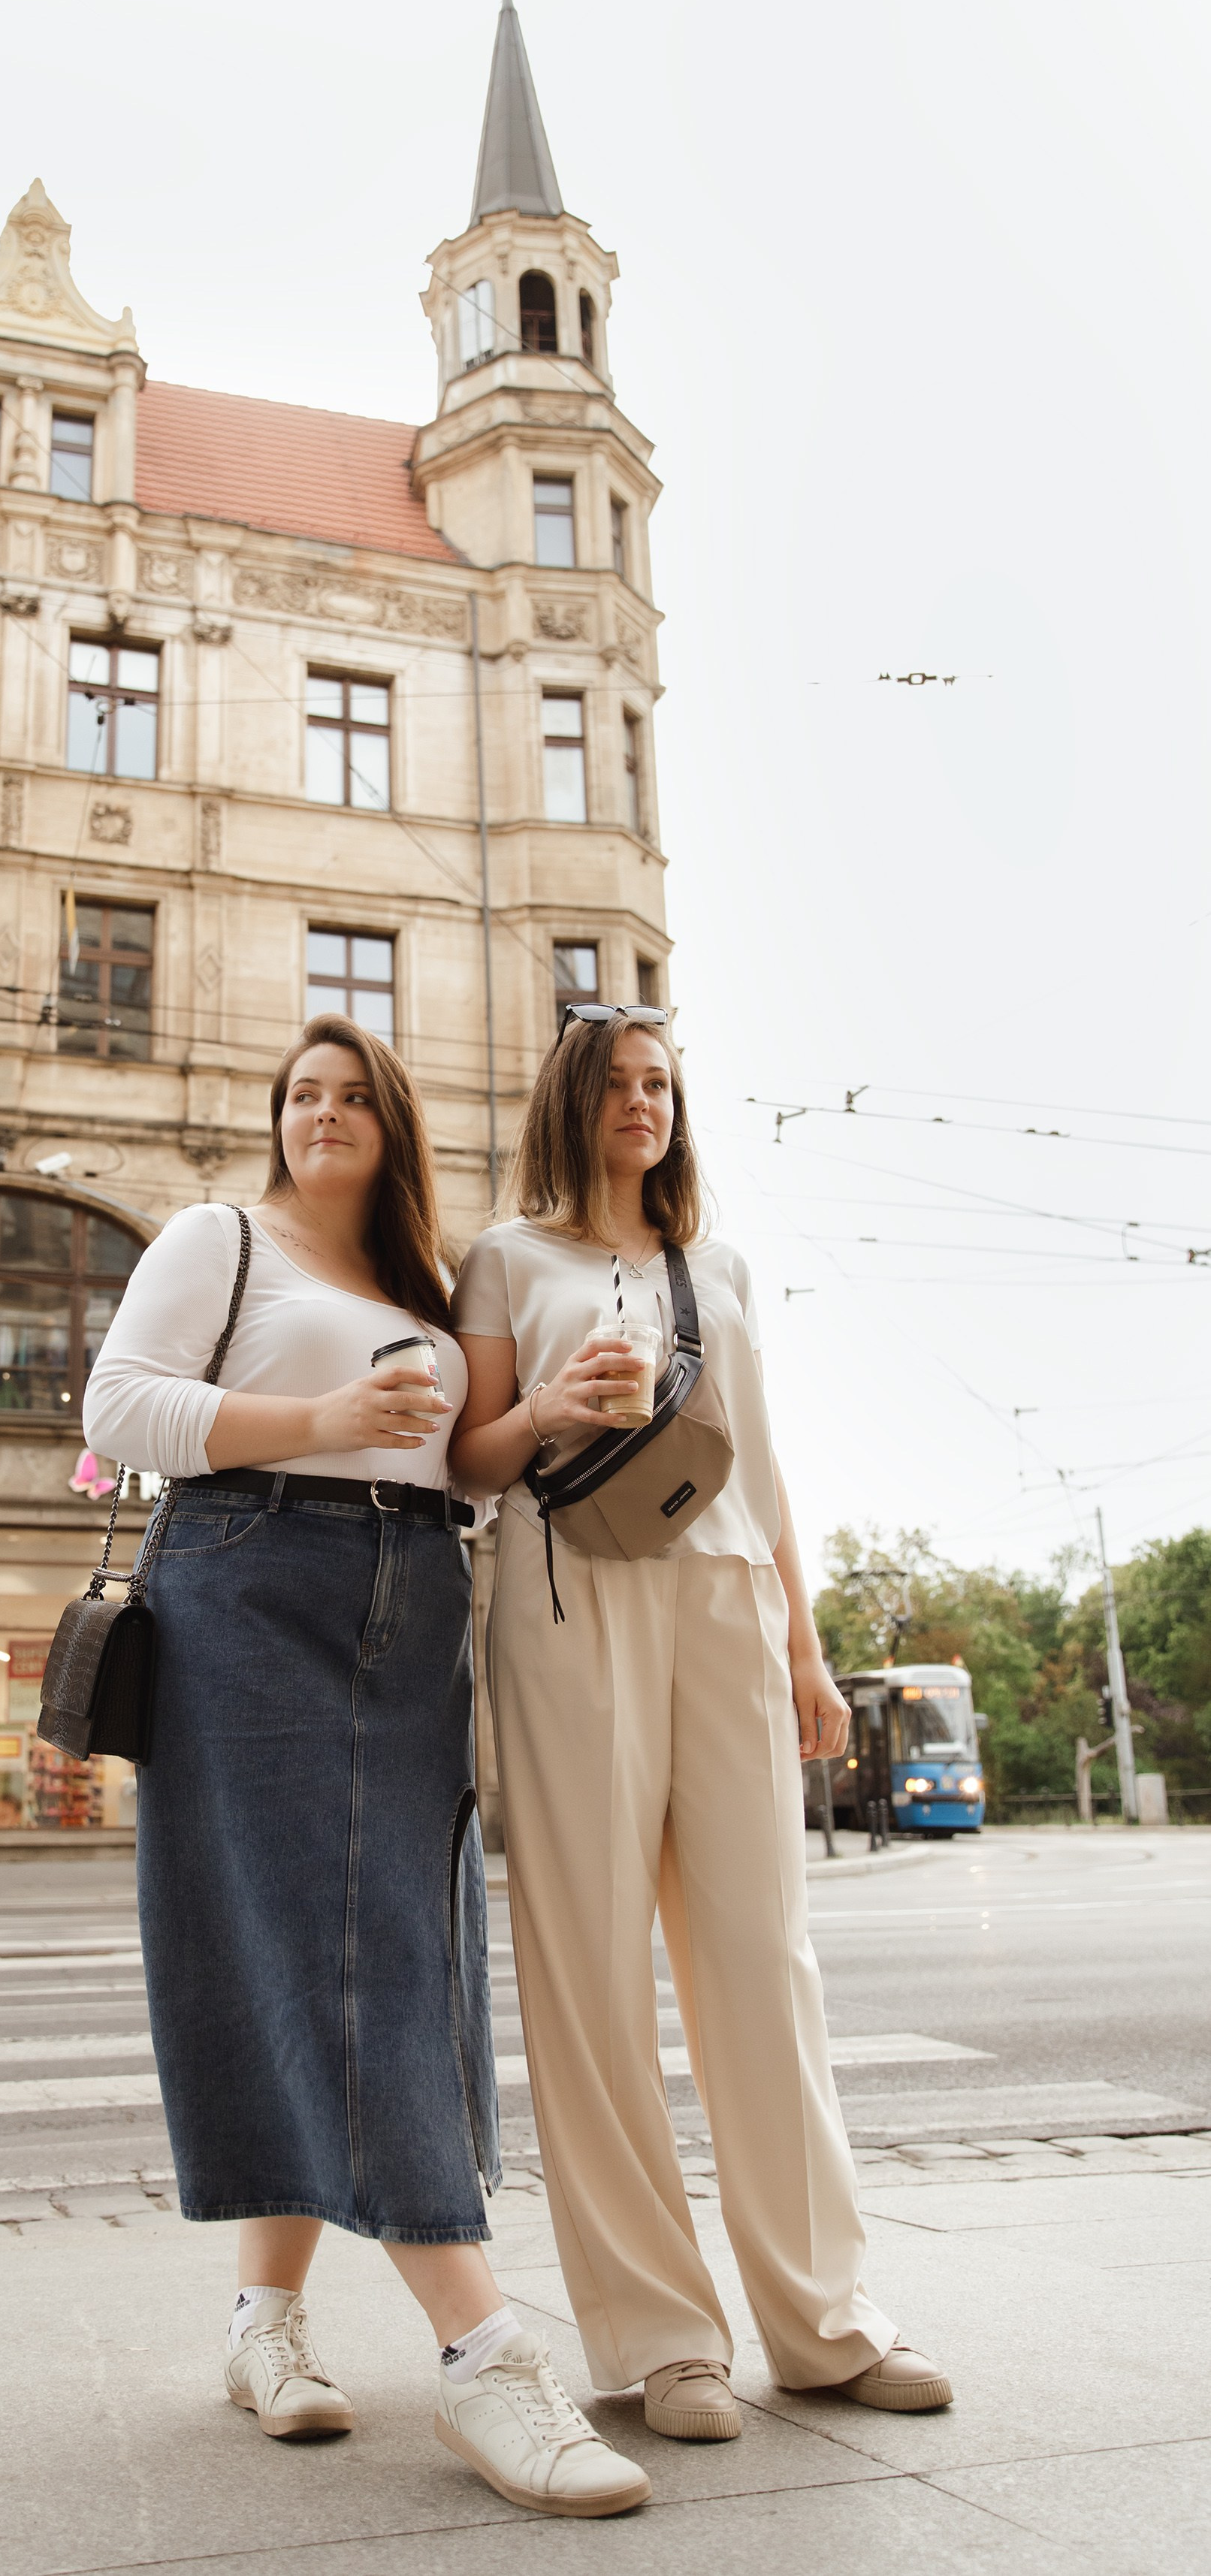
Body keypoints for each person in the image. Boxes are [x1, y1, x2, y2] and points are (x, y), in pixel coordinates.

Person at [83, 1014, 650, 2518]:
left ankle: (261, 2321)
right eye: (296, 1094)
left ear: (391, 1125)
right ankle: (481, 2351)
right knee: (350, 1959)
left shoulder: (416, 1280)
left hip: (412, 1600)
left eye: (347, 1097)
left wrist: (544, 1409)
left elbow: (463, 1460)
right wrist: (323, 1415)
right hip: (252, 1584)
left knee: (362, 1949)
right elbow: (120, 1406)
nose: (317, 1114)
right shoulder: (220, 1236)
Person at [449, 1005, 951, 2439]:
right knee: (589, 1968)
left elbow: (764, 1466)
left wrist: (806, 1645)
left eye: (661, 1084)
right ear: (568, 1101)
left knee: (760, 1961)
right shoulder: (503, 1257)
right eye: (615, 1082)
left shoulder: (712, 1267)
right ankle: (662, 2340)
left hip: (724, 1606)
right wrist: (550, 1404)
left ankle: (823, 2321)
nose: (642, 1103)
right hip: (560, 1607)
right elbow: (469, 1456)